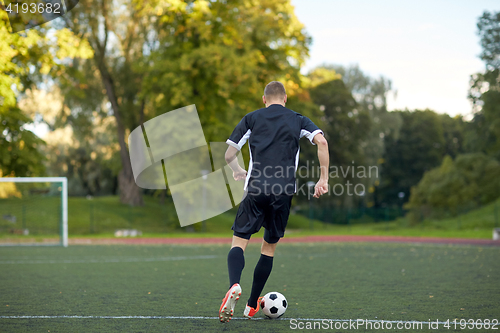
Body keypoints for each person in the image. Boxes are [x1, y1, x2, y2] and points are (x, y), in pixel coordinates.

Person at [219, 81, 329, 322]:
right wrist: (323, 179)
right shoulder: (298, 119)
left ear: (264, 99)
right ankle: (250, 305)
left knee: (239, 242)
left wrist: (238, 170)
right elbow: (321, 141)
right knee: (268, 248)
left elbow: (228, 154)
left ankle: (234, 284)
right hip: (283, 192)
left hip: (256, 188)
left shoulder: (251, 118)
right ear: (286, 98)